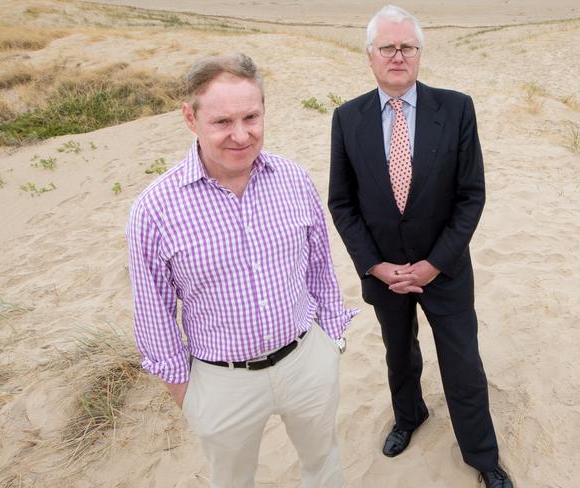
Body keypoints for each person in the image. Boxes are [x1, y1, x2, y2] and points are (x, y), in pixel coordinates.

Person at [127, 53, 356, 488]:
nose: (240, 134)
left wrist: (330, 340)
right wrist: (187, 395)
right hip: (220, 380)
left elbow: (320, 266)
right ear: (191, 119)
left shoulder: (293, 179)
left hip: (306, 360)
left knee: (322, 462)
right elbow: (153, 313)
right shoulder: (154, 210)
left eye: (251, 116)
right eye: (222, 122)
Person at [328, 5, 513, 487]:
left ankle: (482, 456)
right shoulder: (346, 119)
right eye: (387, 47)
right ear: (369, 56)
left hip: (445, 270)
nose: (397, 56)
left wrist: (434, 263)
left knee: (463, 362)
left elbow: (472, 196)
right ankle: (409, 417)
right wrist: (374, 265)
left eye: (406, 47)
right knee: (398, 352)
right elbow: (342, 202)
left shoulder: (456, 108)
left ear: (419, 54)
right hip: (385, 274)